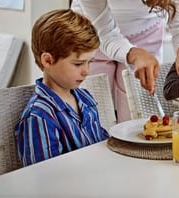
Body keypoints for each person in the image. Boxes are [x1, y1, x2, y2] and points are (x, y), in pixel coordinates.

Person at [15, 9, 109, 167]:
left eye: (90, 62)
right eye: (78, 64)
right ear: (48, 61)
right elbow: (44, 177)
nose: (86, 71)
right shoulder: (39, 117)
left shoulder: (86, 98)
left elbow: (102, 144)